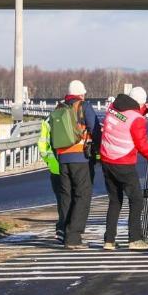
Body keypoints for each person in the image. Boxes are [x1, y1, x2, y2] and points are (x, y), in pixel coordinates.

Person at [100, 87, 148, 251]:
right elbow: (141, 144)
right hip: (123, 162)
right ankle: (135, 239)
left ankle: (109, 240)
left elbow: (128, 115)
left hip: (106, 159)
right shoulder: (137, 119)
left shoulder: (113, 108)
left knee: (115, 200)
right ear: (140, 102)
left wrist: (146, 107)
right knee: (136, 200)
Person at [52, 80, 100, 250]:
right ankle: (73, 237)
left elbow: (53, 136)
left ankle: (64, 231)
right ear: (81, 94)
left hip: (63, 158)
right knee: (83, 196)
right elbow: (95, 129)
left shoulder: (59, 108)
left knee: (66, 196)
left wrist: (59, 156)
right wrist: (98, 153)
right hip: (81, 157)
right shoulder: (83, 106)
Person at [37, 118, 65, 242]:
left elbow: (42, 147)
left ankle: (61, 229)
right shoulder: (75, 117)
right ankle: (68, 229)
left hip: (55, 168)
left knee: (61, 200)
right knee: (75, 198)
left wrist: (49, 161)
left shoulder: (48, 121)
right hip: (74, 165)